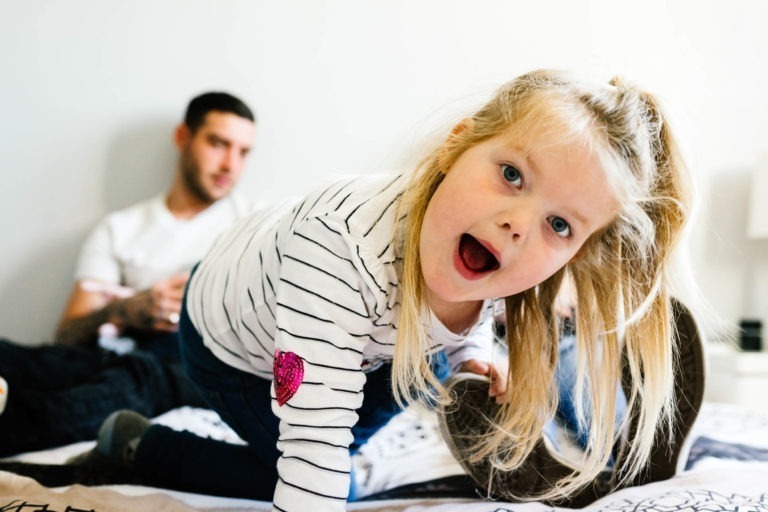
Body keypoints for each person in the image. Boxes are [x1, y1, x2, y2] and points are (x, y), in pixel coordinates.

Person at [60, 69, 694, 508]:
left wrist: (473, 357)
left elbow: (471, 309)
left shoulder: (510, 256)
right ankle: (141, 444)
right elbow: (313, 440)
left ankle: (582, 427)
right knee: (333, 475)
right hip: (230, 338)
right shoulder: (342, 251)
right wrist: (325, 479)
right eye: (511, 175)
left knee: (422, 369)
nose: (521, 225)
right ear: (455, 146)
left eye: (560, 224)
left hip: (378, 337)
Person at [0, 91, 256, 456]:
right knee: (20, 358)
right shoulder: (120, 229)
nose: (231, 164)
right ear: (183, 137)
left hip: (181, 366)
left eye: (244, 152)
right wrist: (124, 310)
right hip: (107, 352)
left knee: (133, 379)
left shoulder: (253, 228)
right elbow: (67, 334)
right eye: (218, 143)